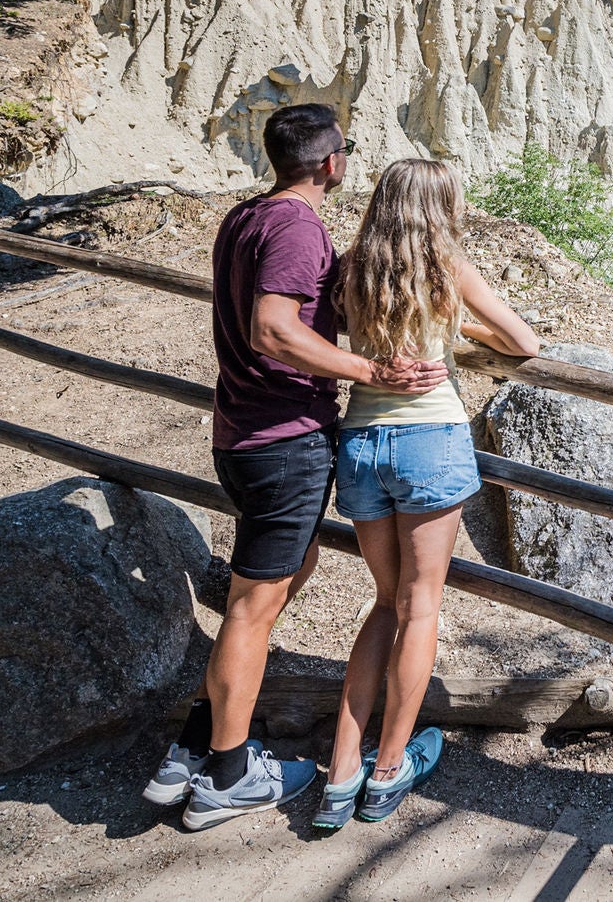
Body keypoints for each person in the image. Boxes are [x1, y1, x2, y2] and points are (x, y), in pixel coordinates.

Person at [144, 103, 446, 830]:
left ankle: (194, 744)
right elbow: (273, 327)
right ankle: (226, 774)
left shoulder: (244, 217)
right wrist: (369, 368)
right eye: (344, 150)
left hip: (243, 436)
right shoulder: (296, 225)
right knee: (254, 608)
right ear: (329, 162)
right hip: (283, 441)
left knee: (267, 596)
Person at [312, 158, 538, 830]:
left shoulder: (351, 266)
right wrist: (455, 324)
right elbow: (524, 341)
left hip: (360, 443)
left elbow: (345, 333)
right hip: (426, 443)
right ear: (440, 206)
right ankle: (388, 771)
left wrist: (440, 326)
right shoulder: (446, 269)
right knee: (420, 608)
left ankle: (340, 772)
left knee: (385, 602)